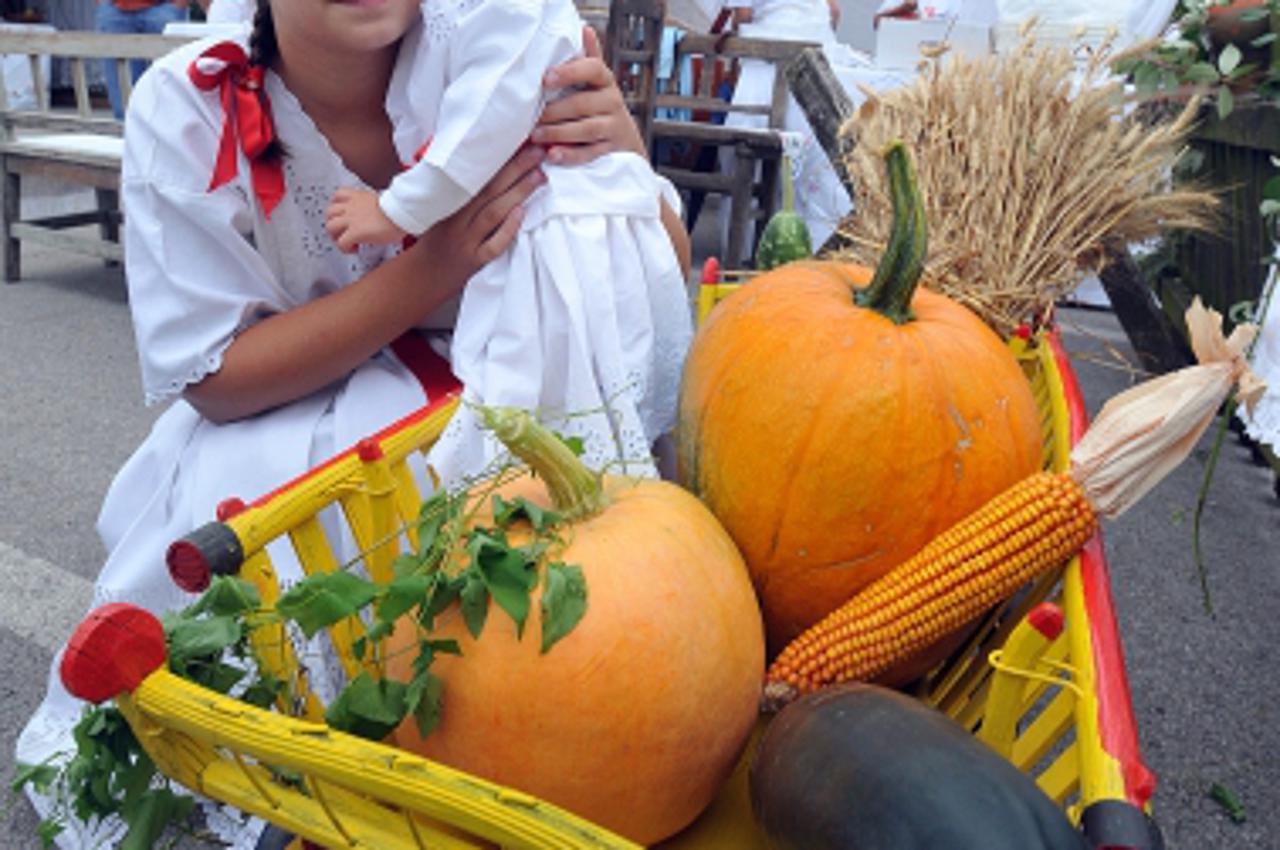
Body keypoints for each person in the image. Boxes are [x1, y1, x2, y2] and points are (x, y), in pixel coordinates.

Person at [14, 0, 689, 843]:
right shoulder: (189, 104)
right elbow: (217, 376)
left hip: (512, 398)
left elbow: (657, 274)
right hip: (286, 413)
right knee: (289, 514)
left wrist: (620, 161)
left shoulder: (499, 60)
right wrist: (428, 269)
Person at [322, 0, 693, 486]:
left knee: (546, 397)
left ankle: (543, 496)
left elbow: (485, 121)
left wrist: (395, 211)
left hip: (548, 219)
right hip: (532, 209)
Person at [94, 0, 203, 119]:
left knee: (175, 97)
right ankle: (127, 135)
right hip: (115, 10)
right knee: (123, 103)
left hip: (165, 8)